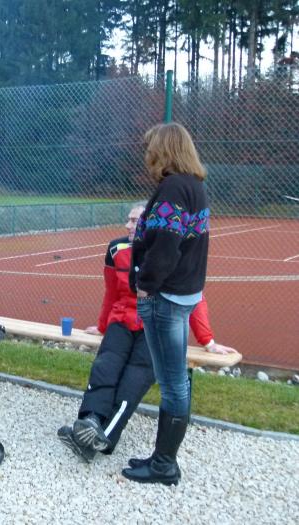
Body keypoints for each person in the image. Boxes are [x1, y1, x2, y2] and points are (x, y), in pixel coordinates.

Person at [57, 203, 237, 464]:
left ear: (151, 224)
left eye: (134, 221)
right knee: (105, 367)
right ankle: (90, 421)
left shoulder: (174, 253)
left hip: (157, 326)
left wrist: (207, 341)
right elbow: (112, 292)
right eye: (128, 220)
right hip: (121, 320)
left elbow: (193, 299)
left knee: (134, 379)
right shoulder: (116, 249)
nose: (127, 225)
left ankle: (102, 437)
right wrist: (103, 325)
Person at [121, 122, 211, 486]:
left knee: (173, 383)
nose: (147, 156)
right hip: (185, 294)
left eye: (150, 149)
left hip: (166, 298)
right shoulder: (195, 185)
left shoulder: (173, 188)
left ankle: (163, 465)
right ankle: (162, 458)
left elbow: (165, 247)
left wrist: (145, 286)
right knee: (176, 380)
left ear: (163, 151)